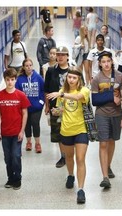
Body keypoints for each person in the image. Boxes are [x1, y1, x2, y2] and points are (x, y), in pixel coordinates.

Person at [46, 66, 90, 204]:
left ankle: (81, 190)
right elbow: (61, 109)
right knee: (69, 157)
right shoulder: (62, 92)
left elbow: (78, 97)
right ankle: (70, 175)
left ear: (79, 80)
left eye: (74, 78)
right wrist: (56, 111)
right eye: (69, 77)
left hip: (81, 129)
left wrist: (62, 95)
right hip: (66, 130)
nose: (71, 80)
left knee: (80, 159)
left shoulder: (84, 90)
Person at [91, 51, 122, 188]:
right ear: (100, 64)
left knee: (112, 141)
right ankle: (105, 177)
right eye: (103, 62)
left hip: (116, 114)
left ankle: (108, 165)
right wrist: (110, 97)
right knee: (103, 143)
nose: (106, 64)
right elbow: (94, 100)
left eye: (108, 61)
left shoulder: (120, 76)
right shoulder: (96, 79)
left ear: (112, 61)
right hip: (101, 114)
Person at [0, 68, 31, 190]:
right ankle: (10, 178)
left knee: (16, 155)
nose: (10, 82)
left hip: (17, 132)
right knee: (7, 157)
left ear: (15, 80)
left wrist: (22, 131)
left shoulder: (21, 95)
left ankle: (18, 178)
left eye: (12, 80)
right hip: (5, 132)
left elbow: (25, 114)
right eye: (8, 80)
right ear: (5, 80)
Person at [44, 46, 70, 168]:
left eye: (62, 55)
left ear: (67, 56)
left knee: (70, 132)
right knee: (58, 133)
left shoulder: (73, 71)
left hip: (71, 108)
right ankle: (63, 156)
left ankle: (71, 155)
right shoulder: (50, 71)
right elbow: (47, 90)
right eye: (58, 54)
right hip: (56, 109)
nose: (59, 57)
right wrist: (47, 105)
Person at [15, 58, 45, 153]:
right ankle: (28, 142)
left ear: (32, 66)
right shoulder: (20, 79)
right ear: (23, 67)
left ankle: (37, 143)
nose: (29, 67)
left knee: (35, 123)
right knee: (27, 124)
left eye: (30, 65)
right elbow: (17, 93)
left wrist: (41, 102)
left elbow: (43, 90)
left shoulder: (38, 77)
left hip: (36, 107)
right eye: (26, 66)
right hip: (25, 108)